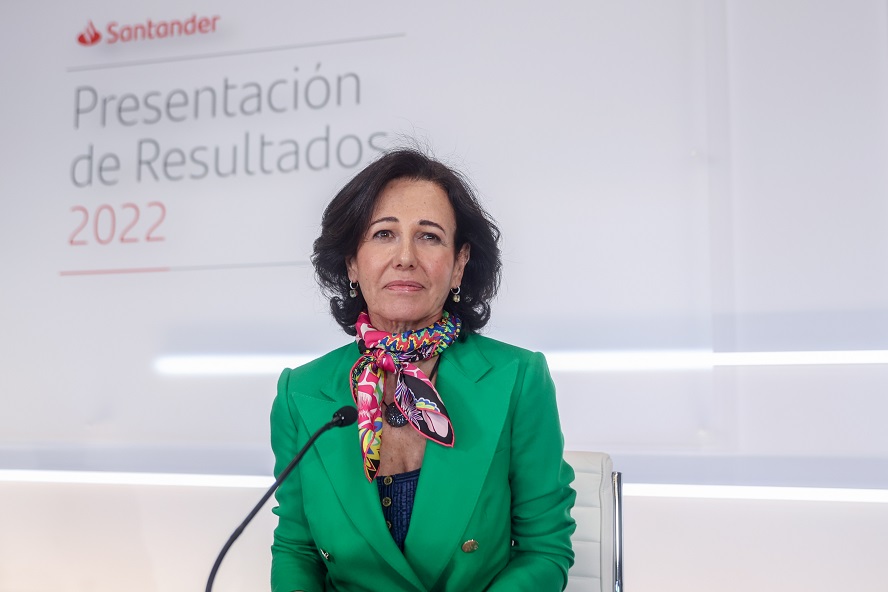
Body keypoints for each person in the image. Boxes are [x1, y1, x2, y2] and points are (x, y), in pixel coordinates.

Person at [270, 148, 576, 592]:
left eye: (429, 236)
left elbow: (544, 549)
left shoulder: (519, 378)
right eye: (383, 234)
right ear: (352, 262)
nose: (405, 257)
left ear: (459, 264)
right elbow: (296, 550)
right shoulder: (301, 393)